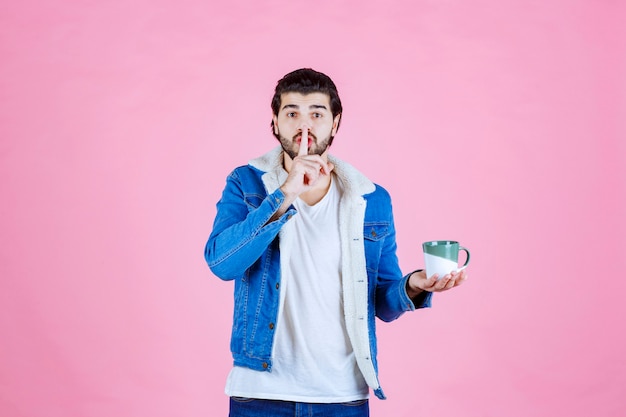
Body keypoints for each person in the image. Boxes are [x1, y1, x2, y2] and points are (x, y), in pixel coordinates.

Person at [204, 68, 467, 417]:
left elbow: (383, 302)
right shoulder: (248, 183)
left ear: (335, 122)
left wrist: (415, 285)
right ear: (275, 121)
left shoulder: (370, 199)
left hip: (342, 397)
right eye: (292, 113)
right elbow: (222, 263)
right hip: (260, 395)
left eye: (317, 113)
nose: (305, 125)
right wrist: (286, 193)